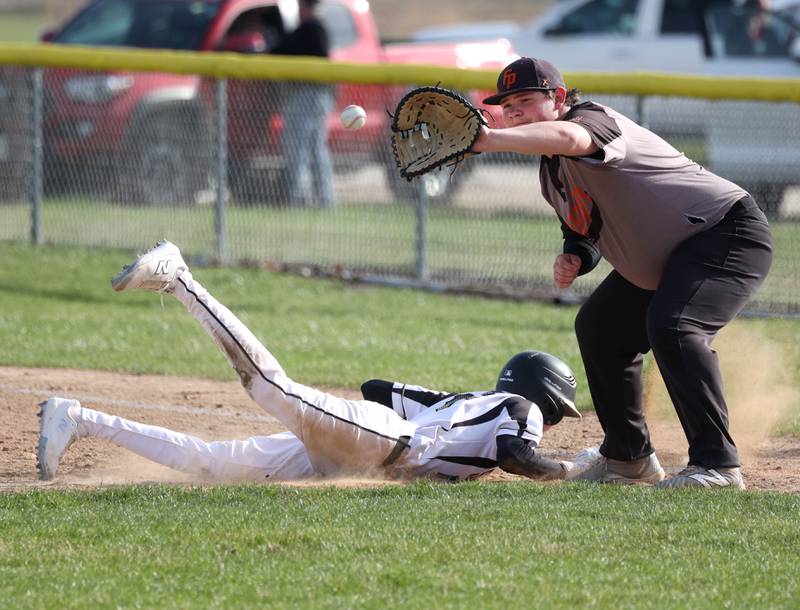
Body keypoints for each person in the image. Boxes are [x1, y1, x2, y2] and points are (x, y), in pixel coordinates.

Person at [37, 241, 587, 484]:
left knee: (212, 465)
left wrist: (440, 422)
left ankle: (79, 419)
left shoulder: (474, 402)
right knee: (269, 387)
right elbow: (519, 457)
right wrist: (575, 469)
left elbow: (375, 386)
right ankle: (179, 278)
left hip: (369, 449)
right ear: (548, 396)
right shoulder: (520, 408)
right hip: (382, 443)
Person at [473, 57, 773, 490]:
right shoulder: (551, 172)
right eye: (508, 104)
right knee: (600, 327)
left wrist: (491, 139)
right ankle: (628, 457)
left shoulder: (591, 119)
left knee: (674, 325)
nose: (515, 110)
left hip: (727, 233)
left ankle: (718, 465)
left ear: (558, 98)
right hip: (671, 257)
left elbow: (572, 137)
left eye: (526, 99)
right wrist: (575, 255)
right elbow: (585, 228)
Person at [271, 0, 336, 208]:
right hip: (317, 96)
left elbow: (280, 51)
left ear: (303, 7)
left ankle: (298, 199)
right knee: (316, 149)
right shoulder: (317, 27)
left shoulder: (310, 28)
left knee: (298, 148)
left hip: (306, 96)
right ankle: (325, 200)